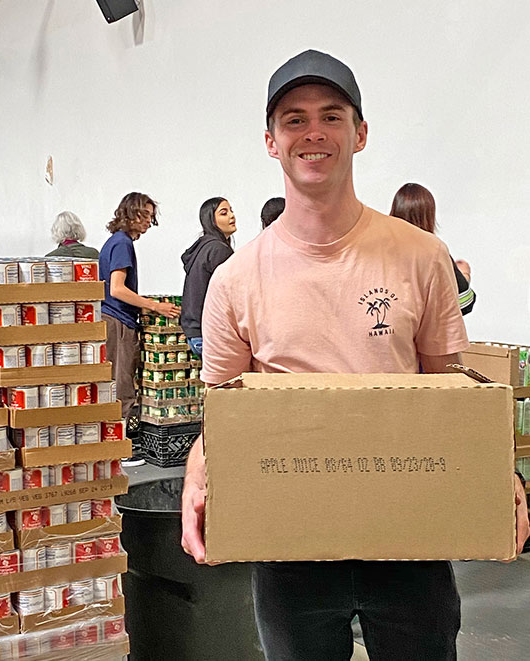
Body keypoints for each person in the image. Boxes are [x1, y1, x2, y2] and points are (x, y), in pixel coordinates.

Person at [180, 49, 530, 660]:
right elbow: (225, 414)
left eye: (331, 116)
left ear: (360, 132)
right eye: (293, 119)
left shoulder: (420, 258)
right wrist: (196, 466)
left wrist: (499, 468)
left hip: (408, 536)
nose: (312, 132)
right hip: (290, 543)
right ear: (270, 141)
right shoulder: (236, 279)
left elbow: (450, 393)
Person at [99, 192, 180, 466]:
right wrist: (154, 306)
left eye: (150, 217)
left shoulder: (115, 242)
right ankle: (122, 449)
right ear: (129, 214)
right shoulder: (122, 244)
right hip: (118, 320)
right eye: (144, 216)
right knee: (122, 383)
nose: (148, 222)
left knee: (115, 381)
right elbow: (118, 289)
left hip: (111, 318)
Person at [390, 183, 476, 315]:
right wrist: (465, 274)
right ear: (429, 215)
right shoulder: (434, 252)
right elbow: (464, 303)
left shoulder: (383, 251)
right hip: (426, 334)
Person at [180, 198, 236, 356]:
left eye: (231, 211)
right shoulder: (219, 250)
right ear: (211, 220)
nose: (232, 216)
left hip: (194, 332)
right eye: (224, 213)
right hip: (210, 334)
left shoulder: (203, 247)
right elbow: (228, 295)